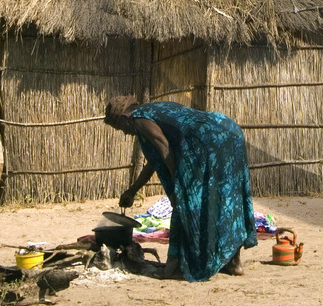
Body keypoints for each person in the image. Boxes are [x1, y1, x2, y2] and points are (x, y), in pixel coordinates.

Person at [102, 95, 257, 281]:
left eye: (119, 128)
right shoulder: (154, 110)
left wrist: (179, 183)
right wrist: (132, 191)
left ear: (123, 118)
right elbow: (155, 160)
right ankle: (234, 263)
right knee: (228, 199)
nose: (125, 133)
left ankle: (182, 267)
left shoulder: (140, 119)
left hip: (208, 139)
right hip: (227, 130)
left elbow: (164, 148)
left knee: (188, 205)